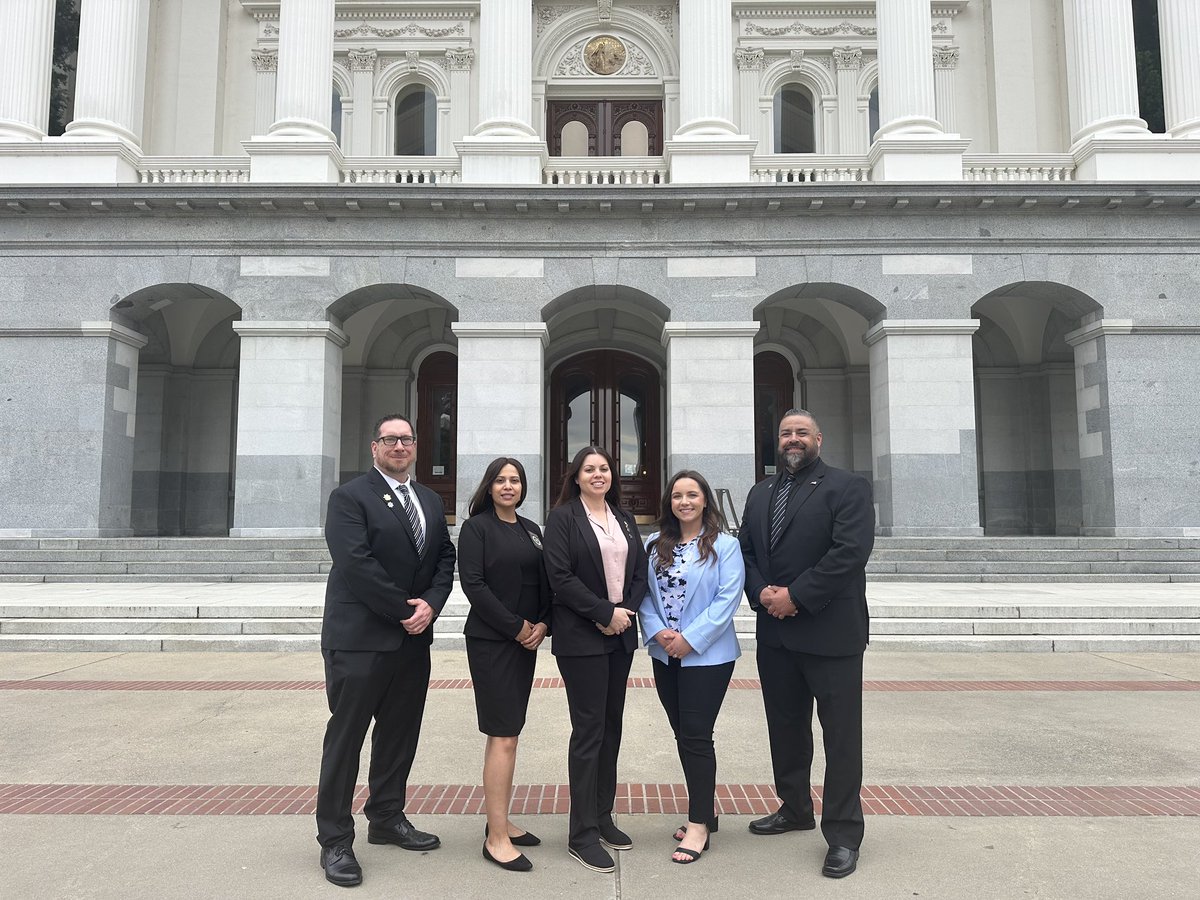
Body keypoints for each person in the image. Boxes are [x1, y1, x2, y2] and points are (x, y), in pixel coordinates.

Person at [315, 414, 456, 888]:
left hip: (412, 641)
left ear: (416, 447)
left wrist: (432, 605)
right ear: (374, 446)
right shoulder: (349, 498)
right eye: (390, 439)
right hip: (360, 640)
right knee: (347, 738)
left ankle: (386, 817)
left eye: (407, 439)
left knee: (399, 734)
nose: (399, 446)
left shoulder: (430, 500)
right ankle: (335, 839)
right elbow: (355, 563)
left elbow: (443, 558)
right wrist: (404, 609)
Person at [738, 409, 875, 879]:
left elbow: (850, 553)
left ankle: (843, 834)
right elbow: (747, 553)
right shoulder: (760, 494)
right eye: (785, 433)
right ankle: (794, 807)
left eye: (801, 432)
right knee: (786, 728)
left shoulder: (846, 487)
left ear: (818, 437)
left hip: (830, 634)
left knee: (840, 737)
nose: (792, 439)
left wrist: (796, 596)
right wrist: (761, 593)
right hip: (776, 637)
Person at [543, 445, 648, 874]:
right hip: (581, 639)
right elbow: (560, 578)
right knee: (588, 732)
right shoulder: (563, 519)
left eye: (604, 468)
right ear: (576, 476)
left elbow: (640, 573)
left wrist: (623, 615)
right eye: (590, 469)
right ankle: (581, 832)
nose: (598, 474)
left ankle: (603, 816)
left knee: (611, 727)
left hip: (619, 637)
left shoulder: (622, 518)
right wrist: (603, 613)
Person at [639, 470, 744, 865]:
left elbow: (726, 599)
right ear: (670, 502)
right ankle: (706, 810)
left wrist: (690, 639)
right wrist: (659, 632)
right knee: (683, 733)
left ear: (705, 501)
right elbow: (644, 593)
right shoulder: (654, 544)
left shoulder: (726, 546)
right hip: (666, 654)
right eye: (678, 495)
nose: (684, 502)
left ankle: (699, 824)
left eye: (692, 495)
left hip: (708, 656)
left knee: (698, 735)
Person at [458, 457, 552, 873]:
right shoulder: (476, 528)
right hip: (493, 642)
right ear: (489, 486)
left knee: (511, 732)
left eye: (515, 480)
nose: (509, 486)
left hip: (526, 642)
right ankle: (495, 838)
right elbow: (474, 586)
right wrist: (516, 627)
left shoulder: (532, 530)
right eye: (501, 480)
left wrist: (544, 624)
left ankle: (502, 820)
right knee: (503, 735)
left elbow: (546, 582)